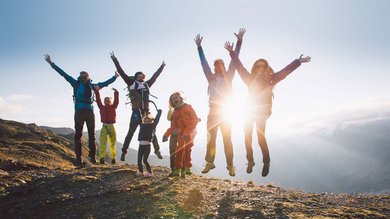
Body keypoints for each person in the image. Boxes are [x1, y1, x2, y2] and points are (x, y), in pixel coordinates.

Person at [224, 42, 311, 177]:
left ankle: (266, 162)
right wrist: (231, 52)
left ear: (266, 68)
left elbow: (284, 72)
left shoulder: (271, 79)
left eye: (263, 66)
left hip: (260, 113)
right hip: (248, 111)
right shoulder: (249, 78)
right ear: (255, 68)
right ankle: (250, 161)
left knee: (260, 138)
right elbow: (239, 67)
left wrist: (298, 62)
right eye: (258, 66)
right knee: (247, 138)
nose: (260, 68)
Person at [44, 54, 118, 165]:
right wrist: (52, 64)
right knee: (78, 135)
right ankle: (79, 158)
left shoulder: (93, 86)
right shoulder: (76, 84)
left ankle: (92, 158)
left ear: (88, 77)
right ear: (79, 77)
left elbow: (105, 83)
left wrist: (115, 77)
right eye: (81, 75)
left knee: (92, 135)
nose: (83, 77)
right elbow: (63, 74)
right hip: (79, 111)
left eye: (85, 75)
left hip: (89, 112)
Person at [194, 28, 246, 177]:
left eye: (220, 66)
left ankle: (230, 165)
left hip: (226, 112)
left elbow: (234, 62)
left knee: (227, 139)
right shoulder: (210, 77)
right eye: (216, 66)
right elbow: (203, 64)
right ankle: (210, 162)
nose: (217, 68)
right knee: (211, 139)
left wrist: (239, 42)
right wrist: (199, 47)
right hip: (213, 112)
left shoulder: (229, 76)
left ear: (223, 67)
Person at [110, 52, 166, 161]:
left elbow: (155, 77)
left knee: (152, 130)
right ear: (136, 77)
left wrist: (161, 67)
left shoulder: (147, 84)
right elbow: (122, 72)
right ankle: (124, 152)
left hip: (146, 112)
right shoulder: (131, 83)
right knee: (131, 131)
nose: (141, 78)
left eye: (142, 77)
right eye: (139, 77)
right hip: (136, 112)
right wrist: (115, 60)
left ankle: (157, 150)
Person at [163, 92, 199, 178]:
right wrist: (166, 135)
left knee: (187, 149)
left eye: (176, 97)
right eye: (172, 99)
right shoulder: (175, 112)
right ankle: (177, 170)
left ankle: (186, 168)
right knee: (179, 150)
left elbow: (194, 120)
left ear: (181, 98)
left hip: (190, 132)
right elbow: (173, 125)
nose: (174, 99)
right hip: (180, 133)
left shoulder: (188, 107)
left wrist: (186, 132)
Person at [94, 86, 119, 165]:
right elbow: (98, 100)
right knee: (103, 142)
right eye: (105, 100)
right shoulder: (101, 107)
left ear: (110, 102)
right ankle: (101, 158)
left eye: (108, 100)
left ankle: (113, 158)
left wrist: (116, 92)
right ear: (104, 102)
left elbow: (116, 101)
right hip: (104, 126)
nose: (107, 101)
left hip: (111, 126)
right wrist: (97, 91)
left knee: (113, 143)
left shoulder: (113, 107)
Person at [137, 109, 162, 177]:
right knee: (139, 160)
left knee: (145, 160)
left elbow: (157, 120)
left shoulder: (152, 126)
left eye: (149, 119)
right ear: (144, 120)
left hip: (147, 146)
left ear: (151, 120)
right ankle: (141, 171)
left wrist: (159, 112)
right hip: (140, 145)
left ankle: (150, 172)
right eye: (146, 118)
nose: (147, 119)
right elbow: (139, 118)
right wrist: (138, 111)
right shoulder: (141, 125)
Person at [167, 107, 178, 176]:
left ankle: (180, 169)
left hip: (181, 135)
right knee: (172, 152)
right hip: (173, 135)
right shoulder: (172, 112)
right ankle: (173, 170)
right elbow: (168, 118)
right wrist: (170, 108)